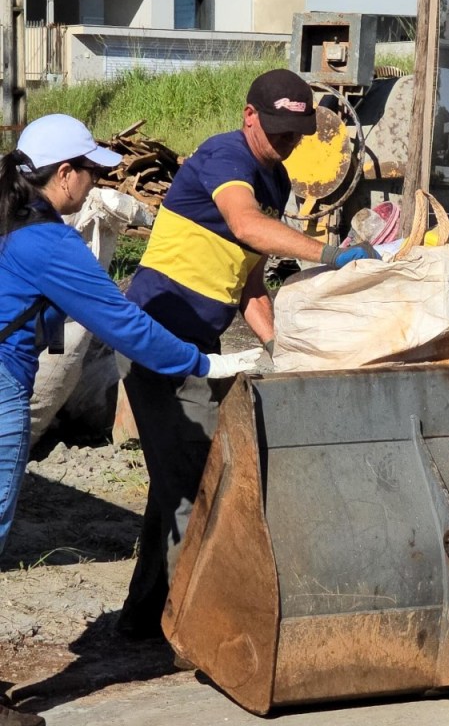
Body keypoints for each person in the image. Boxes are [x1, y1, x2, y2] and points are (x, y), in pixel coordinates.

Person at [0, 114, 261, 726]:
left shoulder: (9, 220)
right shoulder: (48, 242)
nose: (94, 184)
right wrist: (202, 360)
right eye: (89, 172)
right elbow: (124, 324)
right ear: (63, 173)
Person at [117, 69, 376, 641]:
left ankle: (145, 618)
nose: (285, 141)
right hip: (155, 340)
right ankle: (199, 632)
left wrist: (283, 348)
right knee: (201, 478)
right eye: (277, 129)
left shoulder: (276, 181)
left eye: (295, 133)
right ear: (248, 116)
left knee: (176, 478)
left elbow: (249, 284)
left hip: (199, 345)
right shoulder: (224, 157)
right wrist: (330, 255)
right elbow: (244, 224)